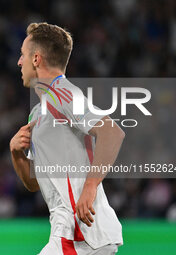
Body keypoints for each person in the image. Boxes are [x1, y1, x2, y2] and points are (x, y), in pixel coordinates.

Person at [10, 22, 125, 255]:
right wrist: (16, 153)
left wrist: (91, 186)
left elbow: (112, 132)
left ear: (36, 59)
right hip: (71, 231)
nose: (19, 62)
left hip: (80, 232)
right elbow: (33, 183)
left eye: (23, 55)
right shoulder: (38, 113)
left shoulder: (63, 92)